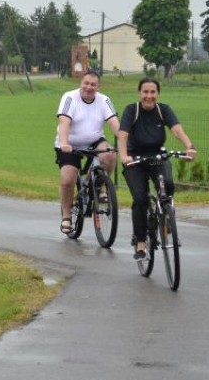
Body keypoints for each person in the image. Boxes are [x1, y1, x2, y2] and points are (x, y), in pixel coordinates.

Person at [117, 78, 197, 261]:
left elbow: (177, 130)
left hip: (157, 156)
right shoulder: (132, 110)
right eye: (145, 92)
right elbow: (122, 136)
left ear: (157, 94)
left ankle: (167, 216)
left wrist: (189, 146)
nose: (149, 96)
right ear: (139, 93)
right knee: (140, 199)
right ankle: (141, 243)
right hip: (134, 159)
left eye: (153, 92)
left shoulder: (163, 110)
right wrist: (124, 156)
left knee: (167, 183)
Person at [54, 70, 120, 234]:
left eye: (93, 84)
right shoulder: (69, 97)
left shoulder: (104, 100)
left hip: (94, 141)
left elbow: (114, 123)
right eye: (86, 83)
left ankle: (100, 185)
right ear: (80, 83)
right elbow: (64, 122)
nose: (89, 87)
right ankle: (67, 216)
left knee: (110, 154)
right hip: (70, 143)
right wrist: (64, 143)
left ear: (98, 86)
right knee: (68, 179)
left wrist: (126, 142)